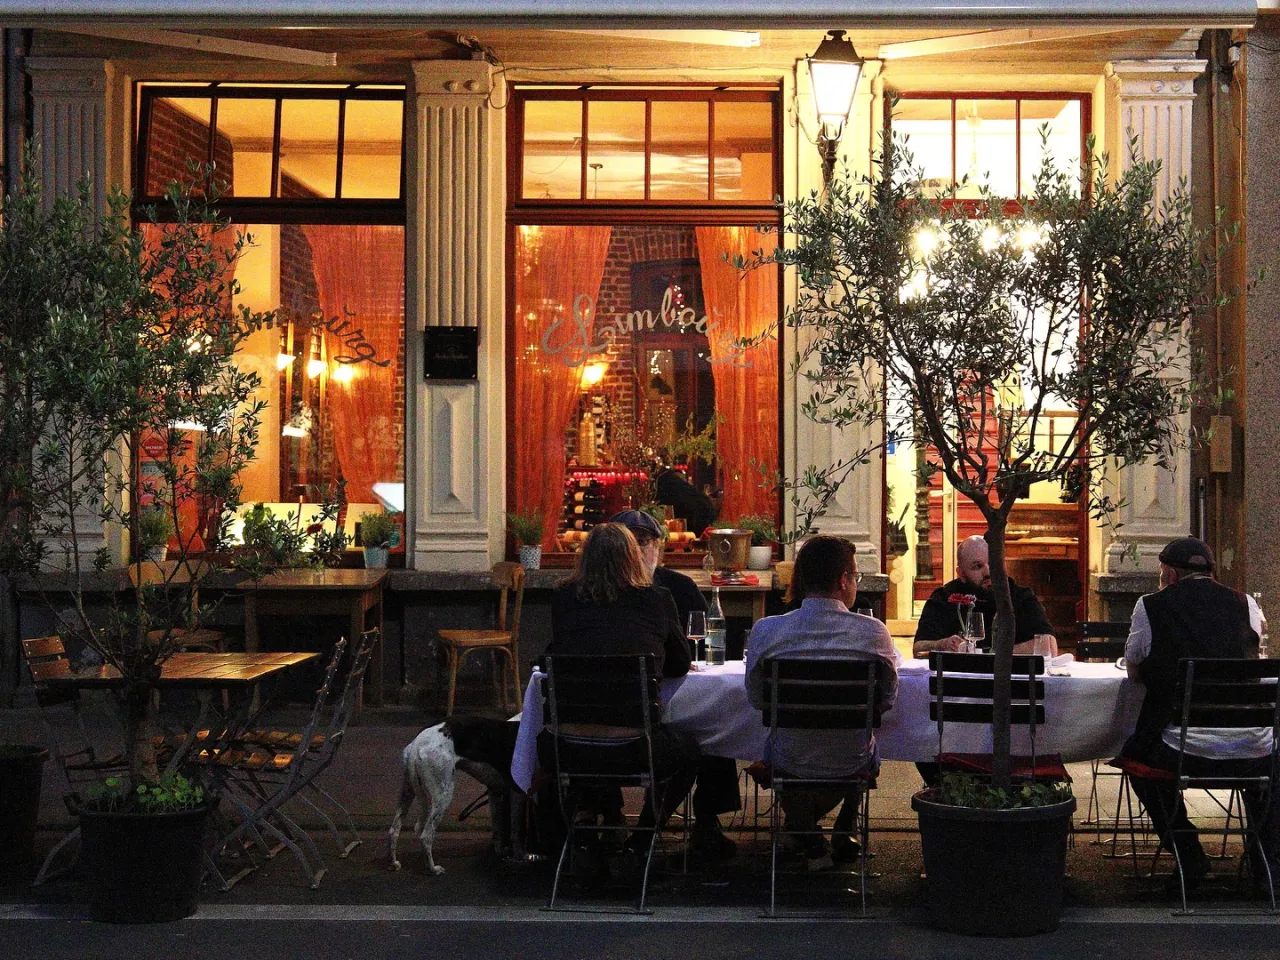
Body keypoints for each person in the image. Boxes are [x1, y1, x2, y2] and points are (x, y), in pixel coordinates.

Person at [1120, 536, 1278, 896]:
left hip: (1184, 749)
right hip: (1252, 749)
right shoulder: (1247, 604)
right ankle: (1266, 866)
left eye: (1161, 574)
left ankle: (1189, 852)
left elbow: (1134, 672)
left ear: (1171, 575)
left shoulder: (1150, 606)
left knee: (1135, 758)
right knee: (1268, 761)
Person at [541, 523, 701, 851]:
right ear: (632, 557)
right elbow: (680, 665)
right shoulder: (656, 598)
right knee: (689, 750)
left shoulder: (564, 598)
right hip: (636, 747)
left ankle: (586, 824)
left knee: (593, 726)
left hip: (563, 747)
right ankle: (643, 837)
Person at [744, 535, 899, 870]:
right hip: (851, 760)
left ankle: (806, 833)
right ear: (844, 579)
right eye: (855, 576)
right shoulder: (873, 633)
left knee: (781, 745)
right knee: (863, 741)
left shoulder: (767, 631)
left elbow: (757, 700)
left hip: (790, 759)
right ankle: (843, 824)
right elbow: (887, 700)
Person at [610, 509, 740, 860]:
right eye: (630, 542)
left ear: (659, 548)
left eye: (645, 542)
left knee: (710, 720)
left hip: (642, 705)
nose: (638, 551)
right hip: (639, 715)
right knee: (695, 734)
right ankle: (616, 820)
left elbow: (711, 642)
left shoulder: (679, 588)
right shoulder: (604, 594)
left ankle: (707, 820)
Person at [912, 535, 1058, 659]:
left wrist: (986, 655)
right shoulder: (945, 598)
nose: (988, 572)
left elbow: (1049, 646)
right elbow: (918, 650)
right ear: (961, 573)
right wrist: (940, 645)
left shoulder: (1020, 596)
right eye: (977, 566)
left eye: (993, 563)